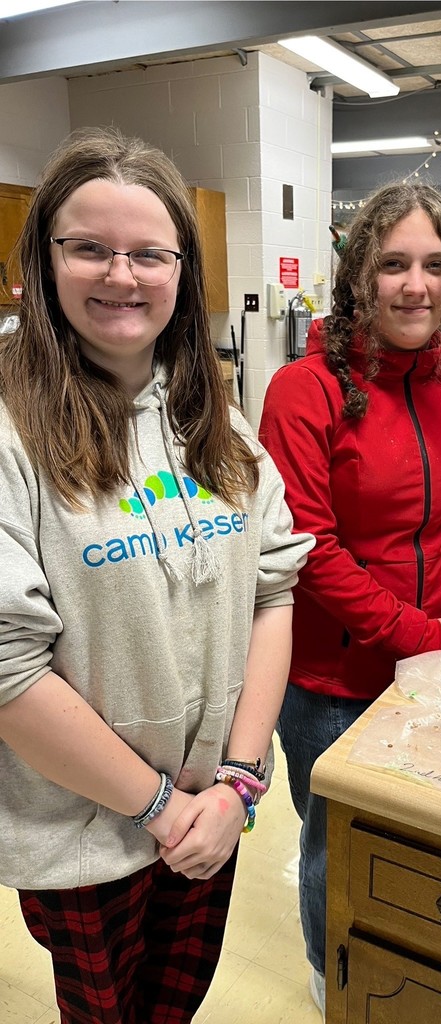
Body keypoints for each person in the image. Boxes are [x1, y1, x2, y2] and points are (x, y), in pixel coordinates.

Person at [0, 126, 313, 1024]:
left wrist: (238, 785)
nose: (121, 275)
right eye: (89, 248)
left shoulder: (215, 422)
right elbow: (9, 667)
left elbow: (272, 593)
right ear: (43, 262)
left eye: (148, 253)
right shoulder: (12, 432)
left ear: (183, 271)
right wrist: (160, 809)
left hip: (213, 811)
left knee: (174, 1007)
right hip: (89, 828)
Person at [259, 182, 441, 1013]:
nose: (416, 286)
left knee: (435, 832)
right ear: (360, 272)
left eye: (433, 266)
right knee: (338, 846)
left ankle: (418, 979)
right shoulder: (304, 390)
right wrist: (418, 633)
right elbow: (307, 551)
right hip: (337, 681)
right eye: (394, 264)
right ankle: (339, 993)